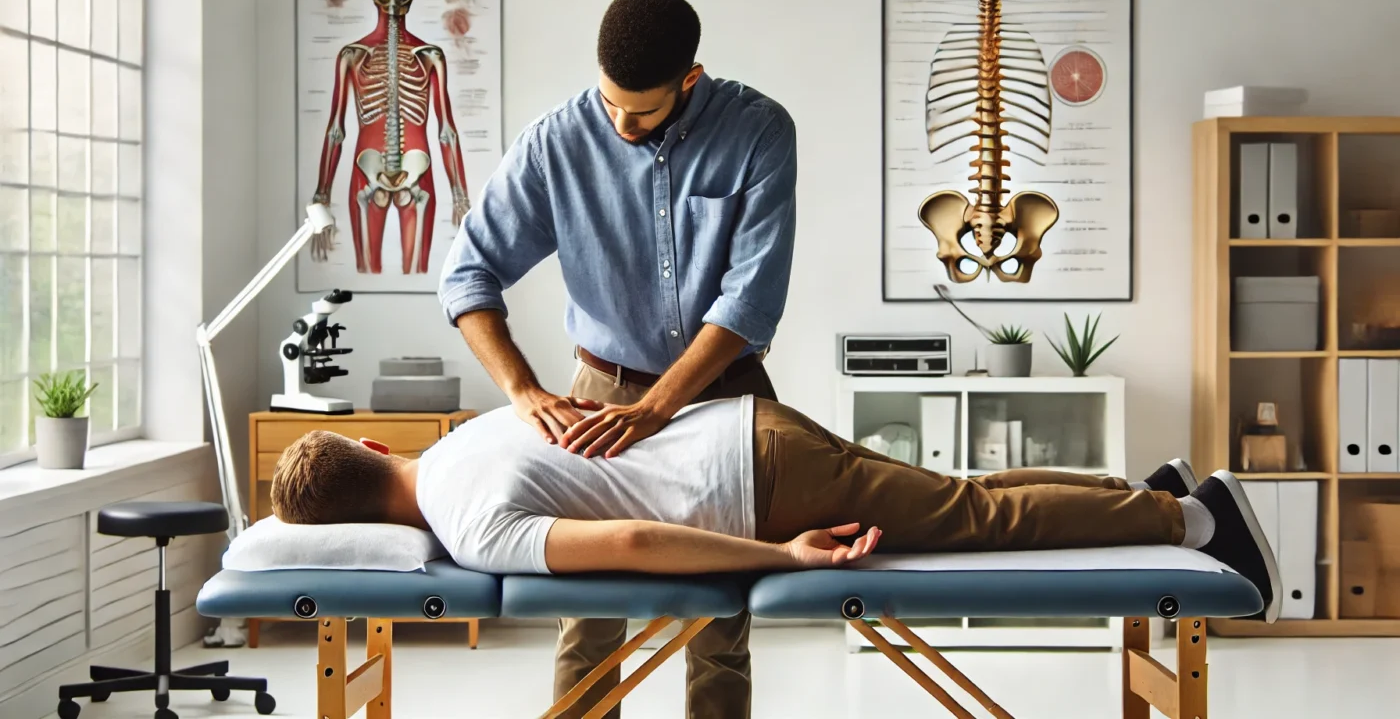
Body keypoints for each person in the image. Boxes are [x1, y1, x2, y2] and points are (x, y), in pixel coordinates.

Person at [436, 0, 797, 718]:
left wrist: (660, 408)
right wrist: (522, 389)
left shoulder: (759, 130)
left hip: (722, 394)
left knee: (719, 621)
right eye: (609, 105)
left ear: (690, 80)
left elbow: (750, 300)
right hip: (599, 397)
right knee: (589, 626)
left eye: (641, 111)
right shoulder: (556, 143)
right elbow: (467, 272)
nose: (620, 124)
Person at [269, 396, 1283, 630]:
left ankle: (1190, 523)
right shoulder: (467, 433)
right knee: (955, 493)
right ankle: (1152, 493)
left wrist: (770, 551)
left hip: (757, 489)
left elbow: (628, 540)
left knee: (971, 513)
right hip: (741, 425)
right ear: (370, 447)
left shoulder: (464, 525)